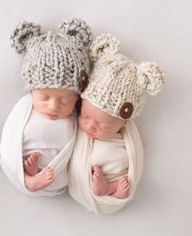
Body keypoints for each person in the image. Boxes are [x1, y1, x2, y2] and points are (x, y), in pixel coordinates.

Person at [68, 34, 165, 213]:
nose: (90, 126)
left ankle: (111, 189)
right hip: (89, 175)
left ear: (123, 123)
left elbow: (135, 156)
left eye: (102, 124)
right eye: (85, 115)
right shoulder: (79, 129)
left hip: (117, 171)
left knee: (122, 174)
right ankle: (107, 188)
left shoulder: (125, 135)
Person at [0, 18, 92, 196]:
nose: (53, 106)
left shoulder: (76, 117)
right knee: (10, 156)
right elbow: (10, 136)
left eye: (65, 100)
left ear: (77, 98)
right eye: (44, 97)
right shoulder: (24, 107)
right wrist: (17, 161)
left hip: (56, 170)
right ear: (31, 92)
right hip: (24, 159)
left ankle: (36, 176)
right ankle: (27, 177)